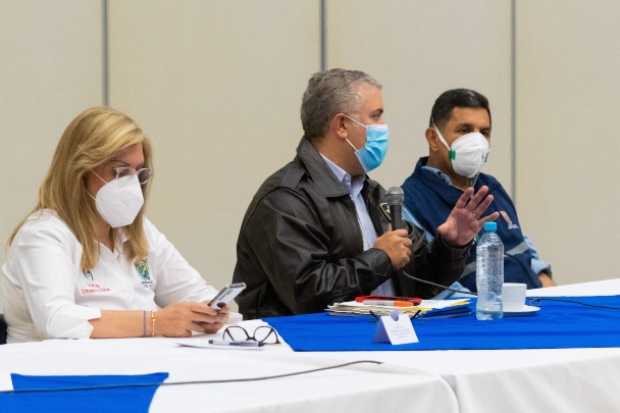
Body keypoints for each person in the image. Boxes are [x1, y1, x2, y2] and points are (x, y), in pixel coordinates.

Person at [233, 69, 498, 319]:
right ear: (342, 126)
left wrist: (451, 245)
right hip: (307, 352)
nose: (383, 127)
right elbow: (307, 294)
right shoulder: (285, 199)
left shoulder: (374, 194)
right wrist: (380, 258)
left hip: (381, 338)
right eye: (376, 116)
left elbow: (421, 282)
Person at [0, 107, 229, 343]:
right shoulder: (43, 233)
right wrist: (154, 322)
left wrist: (209, 311)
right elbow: (56, 321)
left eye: (139, 174)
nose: (132, 185)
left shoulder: (139, 231)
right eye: (120, 172)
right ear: (80, 172)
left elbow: (196, 292)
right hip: (58, 374)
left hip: (138, 366)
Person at [401, 88, 553, 293]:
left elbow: (523, 248)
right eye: (464, 130)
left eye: (484, 132)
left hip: (534, 307)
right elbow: (436, 288)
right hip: (483, 318)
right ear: (433, 139)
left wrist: (547, 286)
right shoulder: (411, 202)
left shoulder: (490, 186)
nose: (477, 142)